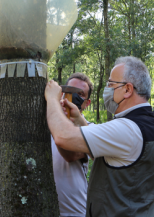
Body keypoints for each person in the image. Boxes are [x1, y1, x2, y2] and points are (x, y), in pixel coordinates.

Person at [45, 56, 154, 216]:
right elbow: (106, 153)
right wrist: (79, 119)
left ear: (128, 89)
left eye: (111, 84)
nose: (107, 90)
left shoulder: (127, 128)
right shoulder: (150, 125)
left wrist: (52, 99)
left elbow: (63, 137)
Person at [52, 73, 93, 217]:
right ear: (62, 93)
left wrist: (52, 104)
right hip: (44, 207)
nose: (73, 95)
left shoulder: (90, 129)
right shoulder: (45, 124)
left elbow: (70, 155)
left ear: (87, 103)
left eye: (80, 94)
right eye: (70, 90)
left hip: (75, 210)